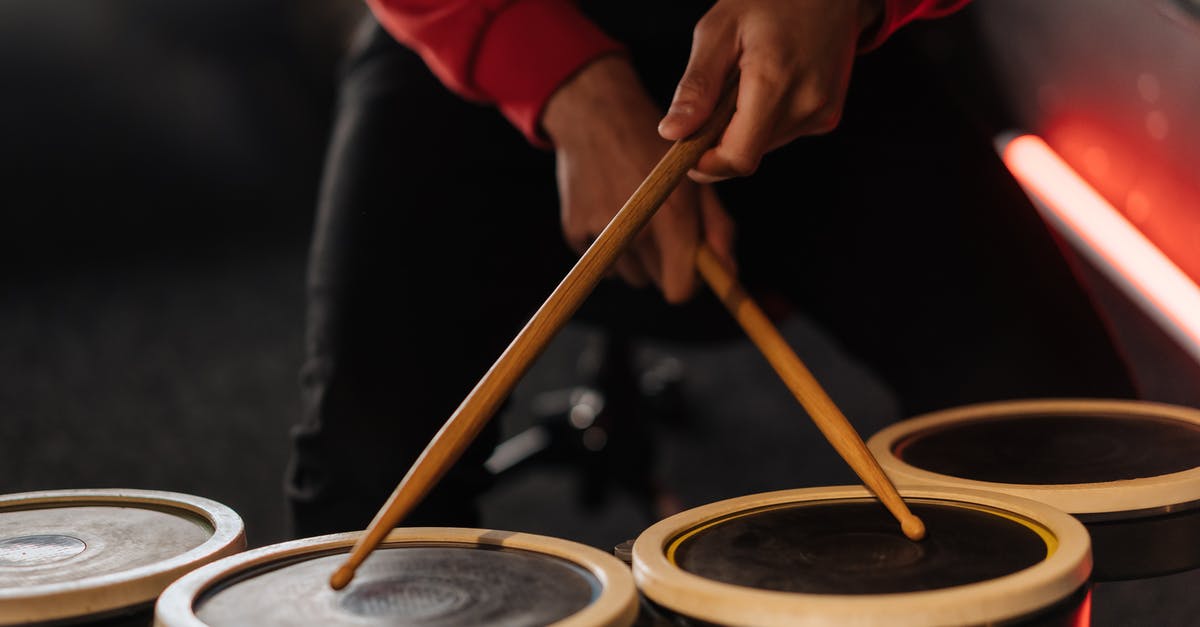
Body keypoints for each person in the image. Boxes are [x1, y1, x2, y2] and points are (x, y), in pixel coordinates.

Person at [285, 0, 1135, 537]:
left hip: (829, 47)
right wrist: (561, 79)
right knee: (363, 495)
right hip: (483, 33)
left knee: (1073, 457)